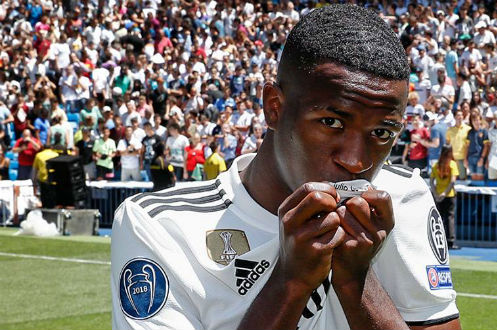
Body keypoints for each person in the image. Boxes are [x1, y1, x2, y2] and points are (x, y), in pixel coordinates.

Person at [112, 6, 460, 330]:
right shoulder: (162, 226)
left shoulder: (403, 199)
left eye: (382, 132)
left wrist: (357, 281)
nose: (357, 160)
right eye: (331, 122)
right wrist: (291, 282)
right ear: (273, 108)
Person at [430, 145, 459, 250]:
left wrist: (436, 194)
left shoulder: (436, 165)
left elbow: (431, 181)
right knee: (450, 217)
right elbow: (452, 182)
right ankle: (450, 241)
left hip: (438, 195)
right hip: (449, 195)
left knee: (438, 218)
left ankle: (437, 240)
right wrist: (445, 193)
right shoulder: (452, 164)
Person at [446, 111, 470, 180]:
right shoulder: (450, 130)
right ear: (454, 117)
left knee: (462, 179)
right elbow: (447, 144)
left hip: (463, 158)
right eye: (458, 115)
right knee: (453, 179)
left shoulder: (468, 129)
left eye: (461, 115)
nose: (460, 117)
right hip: (452, 158)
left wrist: (466, 158)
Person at [464, 113, 489, 181]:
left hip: (479, 157)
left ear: (480, 121)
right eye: (474, 120)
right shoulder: (470, 132)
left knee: (480, 177)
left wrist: (482, 158)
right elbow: (467, 146)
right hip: (470, 158)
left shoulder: (484, 132)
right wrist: (465, 159)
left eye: (478, 120)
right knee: (473, 178)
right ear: (472, 122)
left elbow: (486, 146)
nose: (476, 122)